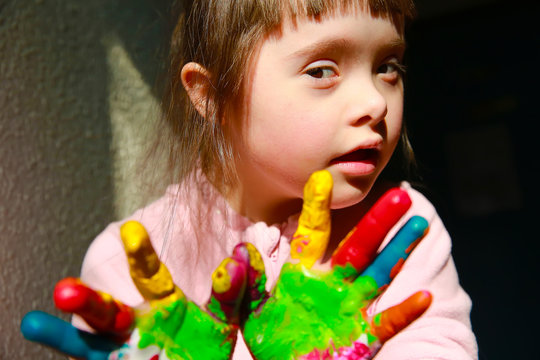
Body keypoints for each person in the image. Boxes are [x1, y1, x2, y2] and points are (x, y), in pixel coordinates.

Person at [72, 0, 477, 358]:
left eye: (387, 67)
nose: (374, 102)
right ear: (212, 96)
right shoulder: (128, 266)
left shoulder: (401, 232)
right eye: (321, 71)